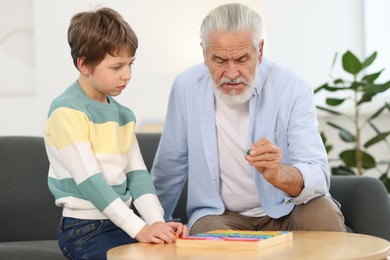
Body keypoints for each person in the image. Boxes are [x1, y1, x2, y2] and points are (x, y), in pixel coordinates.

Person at [151, 3, 346, 235]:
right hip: (219, 215)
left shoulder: (292, 88)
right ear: (204, 54)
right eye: (220, 61)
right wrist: (154, 223)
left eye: (242, 59)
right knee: (207, 238)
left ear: (260, 51)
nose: (232, 74)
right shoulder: (185, 87)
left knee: (325, 215)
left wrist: (279, 174)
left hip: (288, 209)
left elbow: (318, 173)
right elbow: (169, 169)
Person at [44, 7, 187, 259]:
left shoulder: (123, 116)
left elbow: (138, 176)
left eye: (130, 64)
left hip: (124, 222)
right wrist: (140, 228)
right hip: (84, 228)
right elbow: (91, 183)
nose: (127, 75)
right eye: (117, 67)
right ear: (84, 64)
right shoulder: (66, 112)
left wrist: (156, 223)